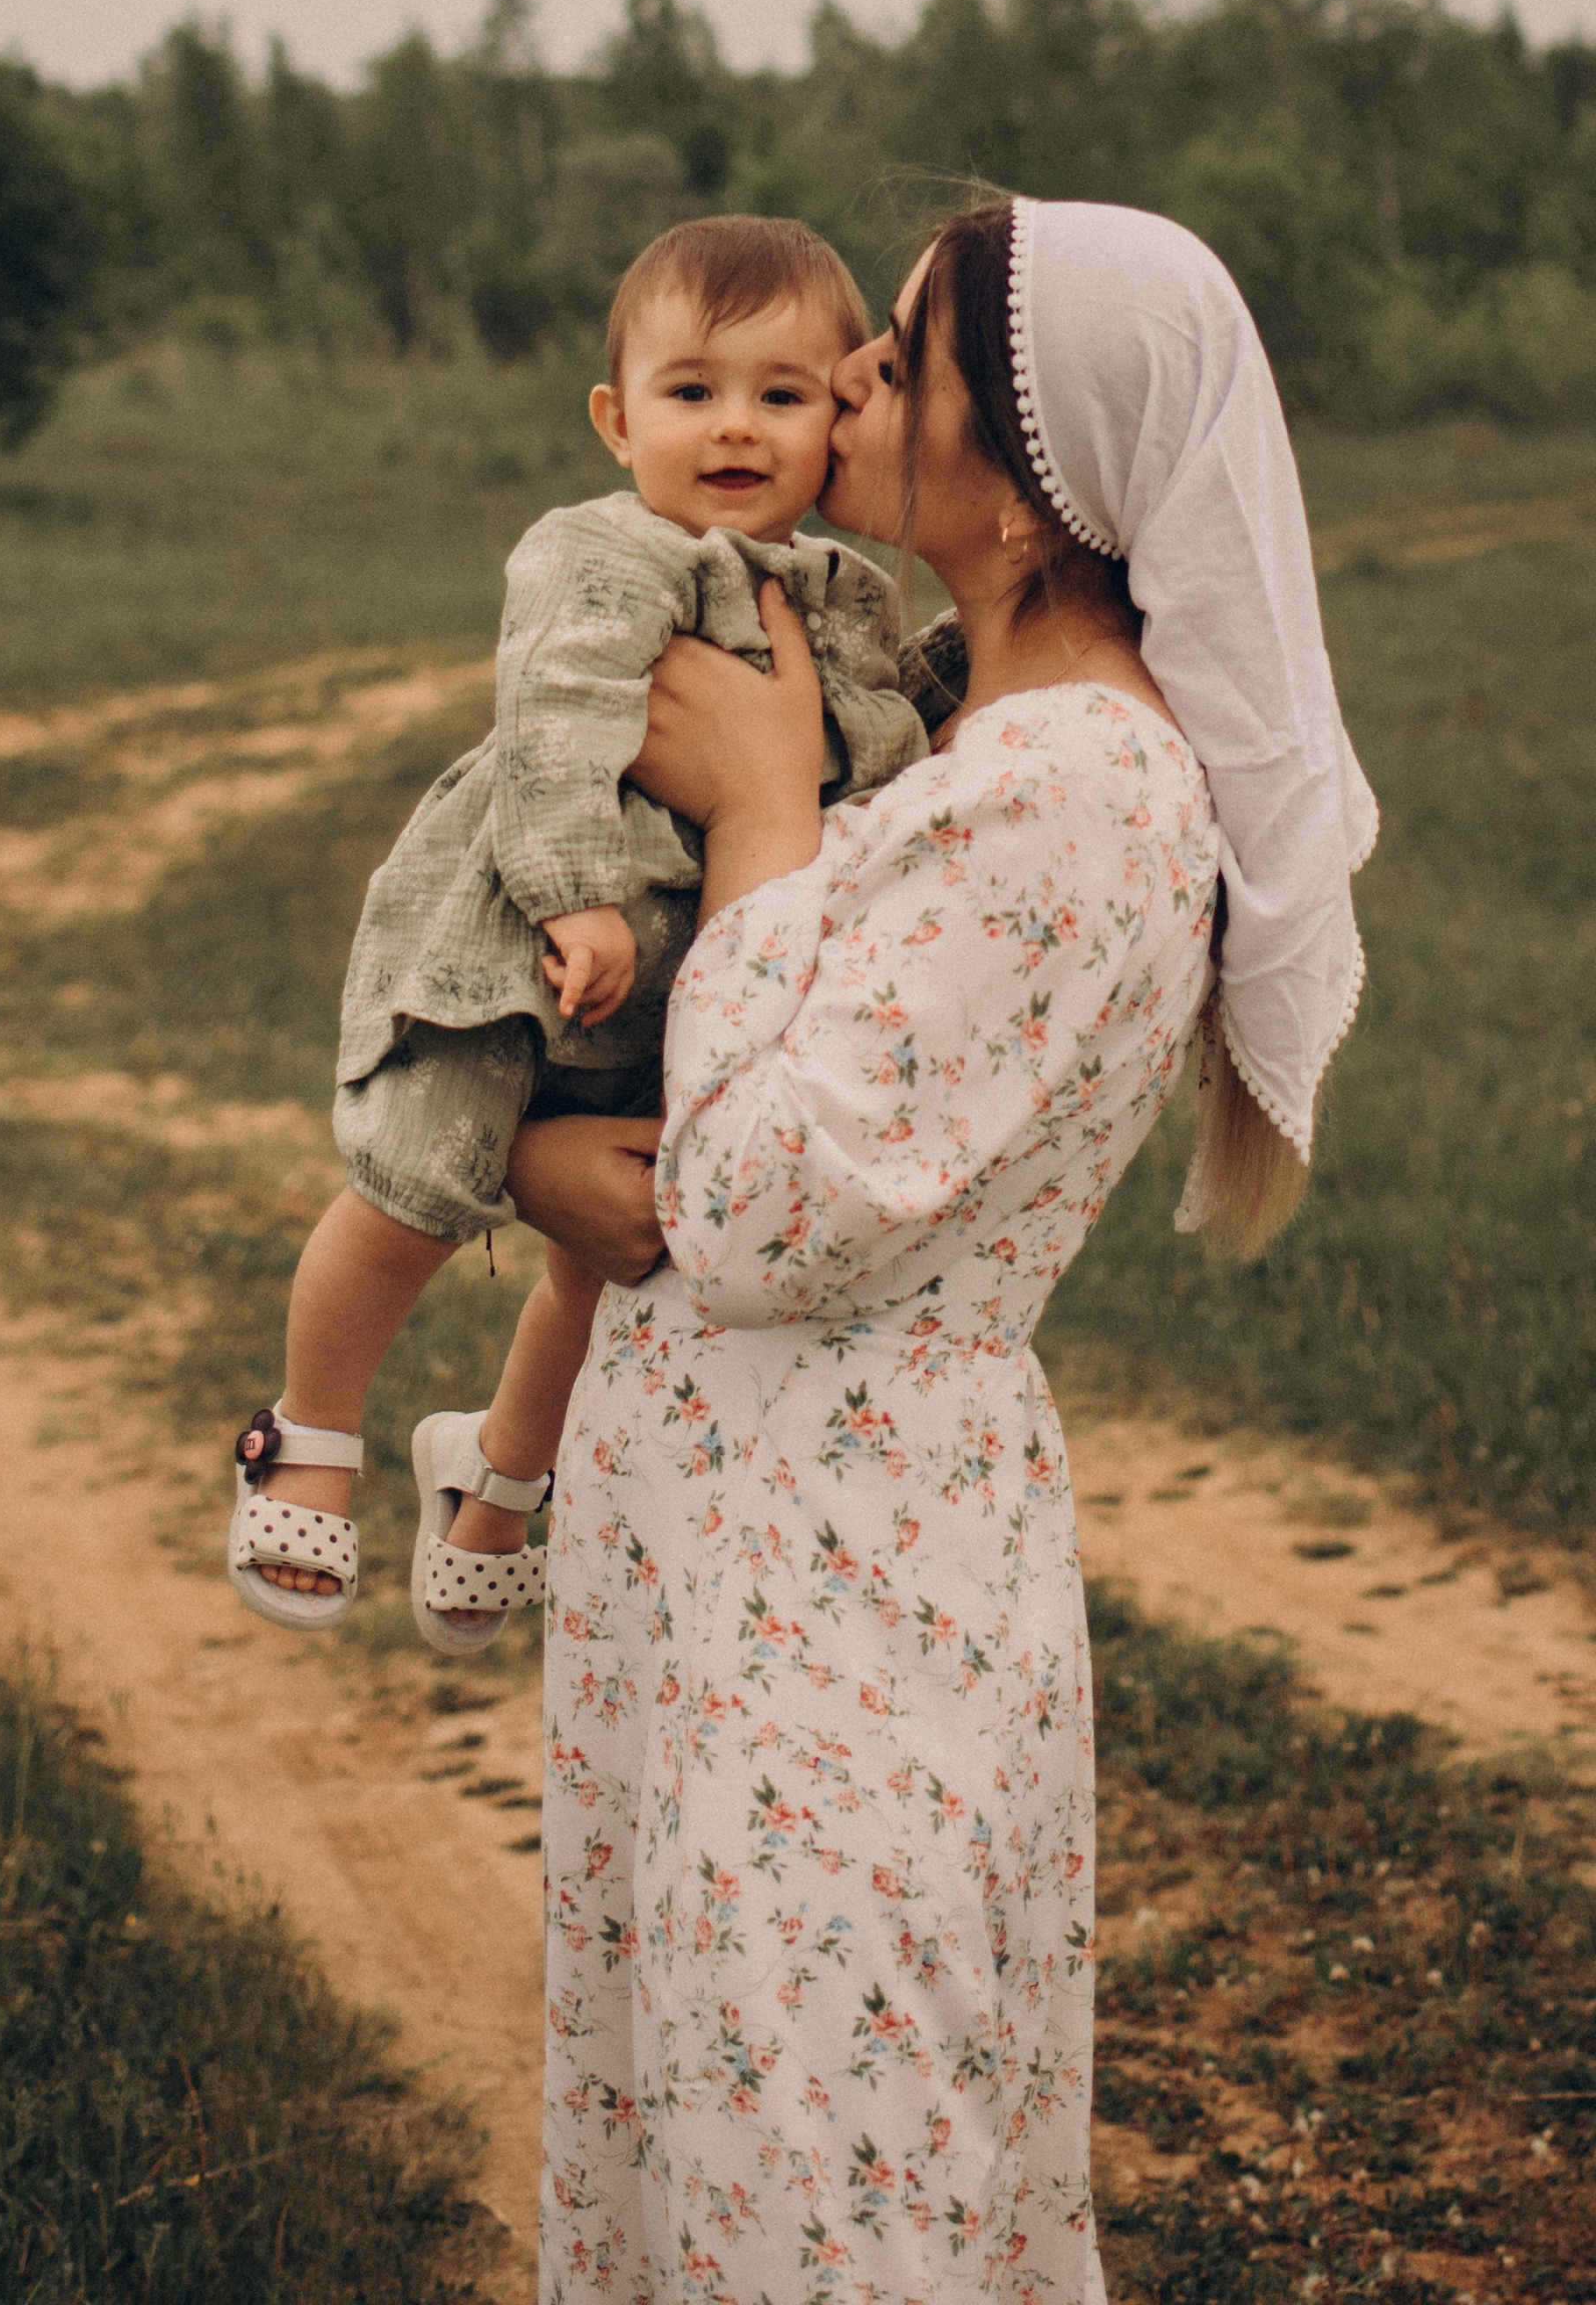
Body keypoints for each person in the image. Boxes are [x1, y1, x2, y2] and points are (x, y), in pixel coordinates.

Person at [531, 194, 1377, 2301]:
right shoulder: (977, 750)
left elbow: (745, 1215)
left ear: (1028, 473)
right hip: (763, 1564)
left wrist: (750, 815)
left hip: (845, 1590)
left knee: (824, 2179)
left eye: (890, 368)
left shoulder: (1075, 790)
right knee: (726, 2132)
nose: (836, 401)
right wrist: (553, 1161)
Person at [226, 218, 948, 1645]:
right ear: (619, 422)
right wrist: (572, 895)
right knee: (414, 1187)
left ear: (835, 423)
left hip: (690, 974)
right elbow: (553, 722)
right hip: (523, 949)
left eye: (783, 395)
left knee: (610, 1246)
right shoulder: (604, 555)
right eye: (693, 392)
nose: (736, 426)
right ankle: (308, 1428)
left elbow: (879, 734)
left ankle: (498, 1474)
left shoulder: (846, 593)